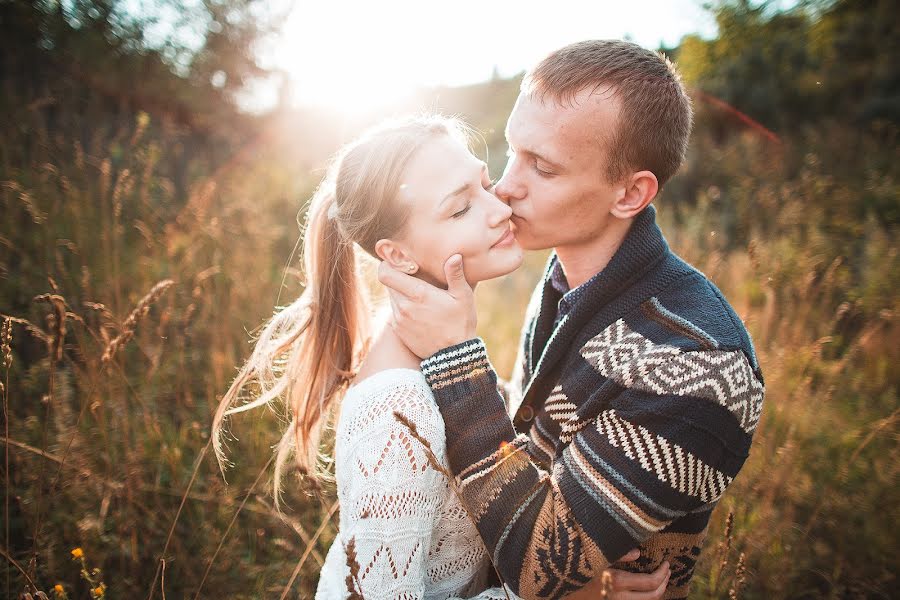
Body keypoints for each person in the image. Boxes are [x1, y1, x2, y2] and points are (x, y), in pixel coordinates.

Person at [211, 115, 667, 599]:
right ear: (399, 255)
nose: (498, 209)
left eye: (484, 186)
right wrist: (566, 596)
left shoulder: (445, 346)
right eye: (459, 209)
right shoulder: (396, 407)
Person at [378, 40, 766, 600]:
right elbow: (537, 444)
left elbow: (541, 566)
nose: (506, 186)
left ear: (630, 193)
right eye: (513, 151)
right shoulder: (564, 275)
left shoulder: (699, 364)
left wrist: (458, 366)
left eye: (543, 167)